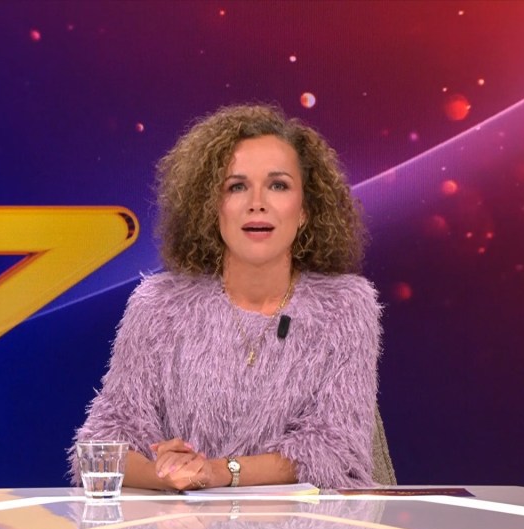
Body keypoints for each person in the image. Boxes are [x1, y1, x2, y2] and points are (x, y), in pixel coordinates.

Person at [72, 103, 381, 491]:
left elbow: (336, 450)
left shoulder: (346, 307)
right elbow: (100, 445)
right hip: (183, 527)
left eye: (278, 185)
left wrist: (218, 472)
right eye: (236, 186)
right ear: (211, 208)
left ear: (305, 210)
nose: (257, 202)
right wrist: (168, 476)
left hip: (299, 528)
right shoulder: (158, 305)